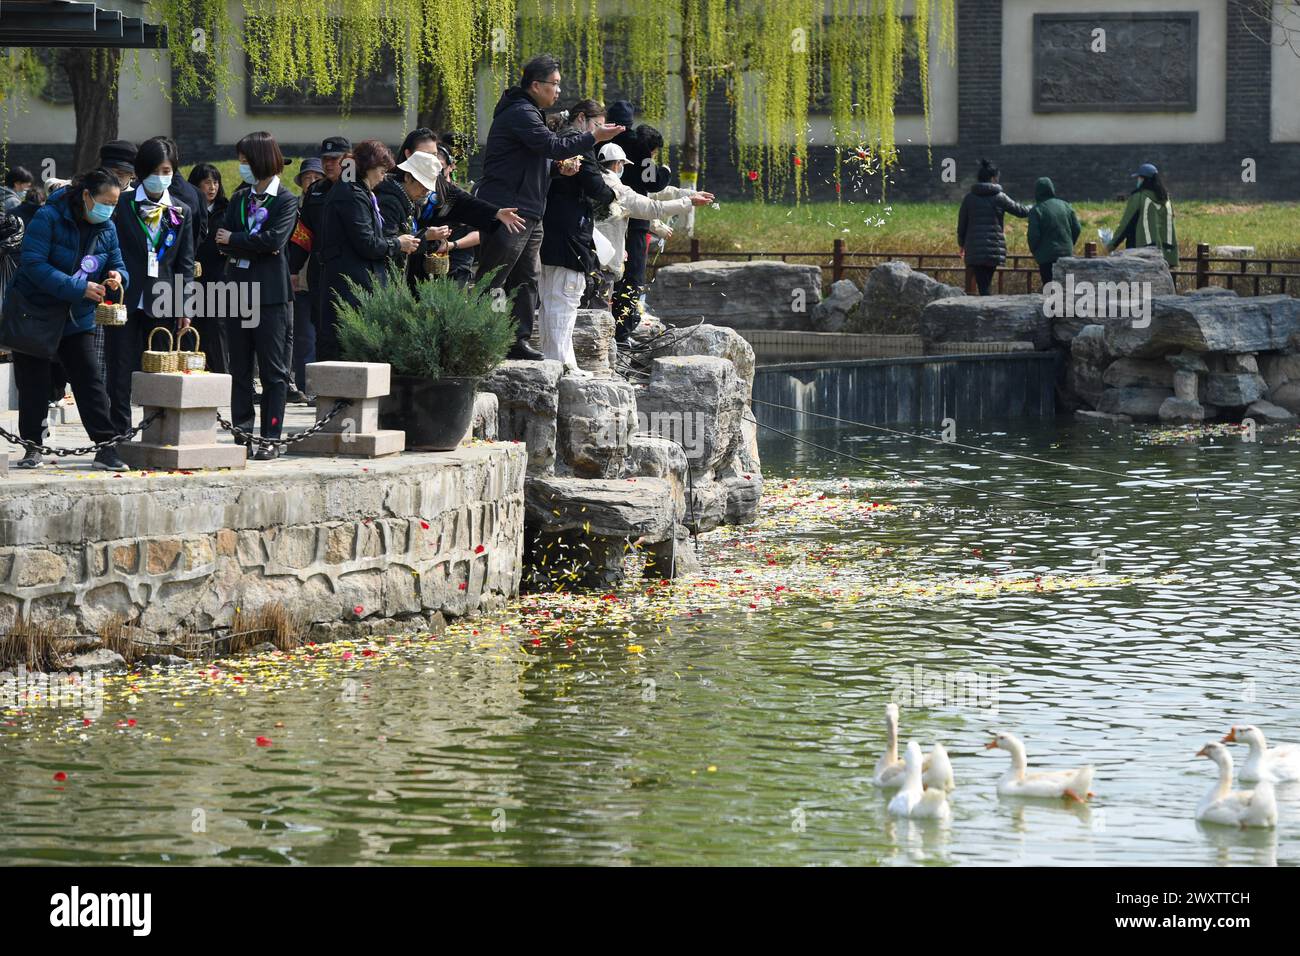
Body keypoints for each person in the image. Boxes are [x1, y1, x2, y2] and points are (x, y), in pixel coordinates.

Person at [475, 53, 624, 359]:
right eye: (554, 84)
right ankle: (480, 337)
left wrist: (557, 170)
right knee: (496, 279)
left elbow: (538, 160)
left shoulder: (530, 113)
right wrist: (593, 136)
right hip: (509, 211)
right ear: (535, 85)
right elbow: (551, 146)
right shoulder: (520, 112)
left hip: (531, 211)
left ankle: (518, 340)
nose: (558, 91)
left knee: (527, 279)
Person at [7, 168, 128, 470]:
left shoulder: (107, 227)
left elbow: (117, 262)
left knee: (89, 380)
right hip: (36, 311)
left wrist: (117, 276)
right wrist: (77, 287)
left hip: (77, 316)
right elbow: (33, 264)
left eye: (115, 204)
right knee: (33, 382)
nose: (109, 209)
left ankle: (106, 446)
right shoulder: (48, 217)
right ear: (86, 196)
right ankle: (32, 446)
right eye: (105, 202)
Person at [214, 131, 299, 461]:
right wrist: (239, 239)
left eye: (246, 161)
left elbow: (274, 239)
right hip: (237, 290)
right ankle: (242, 433)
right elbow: (221, 238)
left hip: (270, 296)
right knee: (240, 369)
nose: (242, 167)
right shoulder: (239, 198)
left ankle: (271, 435)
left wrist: (236, 238)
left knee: (273, 370)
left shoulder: (286, 200)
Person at [105, 138, 195, 440]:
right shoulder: (123, 204)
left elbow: (185, 263)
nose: (163, 175)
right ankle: (118, 434)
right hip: (126, 299)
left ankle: (158, 431)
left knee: (160, 368)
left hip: (164, 299)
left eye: (168, 170)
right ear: (142, 171)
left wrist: (185, 306)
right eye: (157, 170)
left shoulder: (181, 211)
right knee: (120, 369)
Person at [314, 139, 419, 361]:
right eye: (381, 171)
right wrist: (398, 243)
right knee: (345, 352)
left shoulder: (358, 190)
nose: (383, 177)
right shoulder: (351, 193)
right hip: (350, 284)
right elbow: (367, 243)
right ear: (367, 167)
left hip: (357, 280)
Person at [594, 143, 712, 321]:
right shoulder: (618, 189)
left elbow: (655, 196)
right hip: (604, 262)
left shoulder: (593, 181)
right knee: (600, 313)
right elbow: (653, 207)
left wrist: (688, 195)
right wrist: (688, 201)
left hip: (590, 256)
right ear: (618, 164)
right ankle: (608, 345)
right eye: (623, 166)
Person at [538, 99, 616, 372]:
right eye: (598, 126)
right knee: (566, 297)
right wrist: (613, 196)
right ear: (582, 119)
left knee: (550, 299)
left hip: (550, 230)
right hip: (569, 232)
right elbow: (595, 186)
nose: (600, 133)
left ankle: (553, 360)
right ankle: (563, 364)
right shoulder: (578, 143)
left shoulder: (556, 140)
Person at [607, 107, 673, 341]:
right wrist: (665, 171)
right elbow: (652, 182)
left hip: (606, 222)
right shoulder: (636, 145)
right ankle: (622, 331)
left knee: (609, 277)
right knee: (632, 277)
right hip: (634, 222)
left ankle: (609, 327)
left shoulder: (600, 139)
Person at [287, 135, 349, 366]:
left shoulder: (358, 188)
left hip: (349, 273)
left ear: (348, 159)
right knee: (318, 333)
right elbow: (304, 234)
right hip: (319, 273)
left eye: (335, 158)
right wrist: (293, 268)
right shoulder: (315, 193)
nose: (329, 163)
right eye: (325, 159)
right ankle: (318, 389)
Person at [957, 158, 1029, 296]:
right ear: (993, 178)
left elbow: (962, 224)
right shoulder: (999, 197)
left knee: (983, 284)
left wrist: (961, 244)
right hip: (993, 248)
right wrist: (1036, 206)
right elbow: (1021, 211)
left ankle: (984, 307)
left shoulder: (969, 198)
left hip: (974, 248)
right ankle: (987, 309)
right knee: (986, 285)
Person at [286, 157, 324, 402]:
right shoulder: (294, 208)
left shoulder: (327, 204)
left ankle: (323, 386)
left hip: (323, 278)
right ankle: (305, 386)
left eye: (316, 177)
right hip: (300, 279)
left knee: (323, 337)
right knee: (304, 338)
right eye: (308, 178)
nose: (311, 182)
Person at [187, 162, 230, 373]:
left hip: (218, 278)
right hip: (193, 278)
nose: (212, 187)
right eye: (206, 183)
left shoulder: (227, 210)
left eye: (215, 182)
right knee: (193, 329)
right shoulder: (188, 209)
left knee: (217, 329)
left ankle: (223, 376)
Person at [1106, 162, 1178, 267]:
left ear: (1144, 179)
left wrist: (1110, 246)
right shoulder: (1166, 200)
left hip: (1142, 253)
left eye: (1139, 178)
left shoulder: (1139, 197)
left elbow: (1126, 224)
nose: (1137, 181)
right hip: (1167, 254)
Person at [145, 136, 205, 250]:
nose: (159, 176)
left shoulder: (185, 197)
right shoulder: (129, 199)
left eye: (165, 171)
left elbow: (196, 233)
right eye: (154, 170)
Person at [1026, 177, 1081, 287]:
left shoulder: (1036, 210)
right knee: (1065, 289)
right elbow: (1077, 228)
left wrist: (1036, 251)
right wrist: (1069, 243)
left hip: (1046, 257)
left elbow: (1033, 236)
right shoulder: (1066, 206)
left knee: (1050, 289)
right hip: (1066, 254)